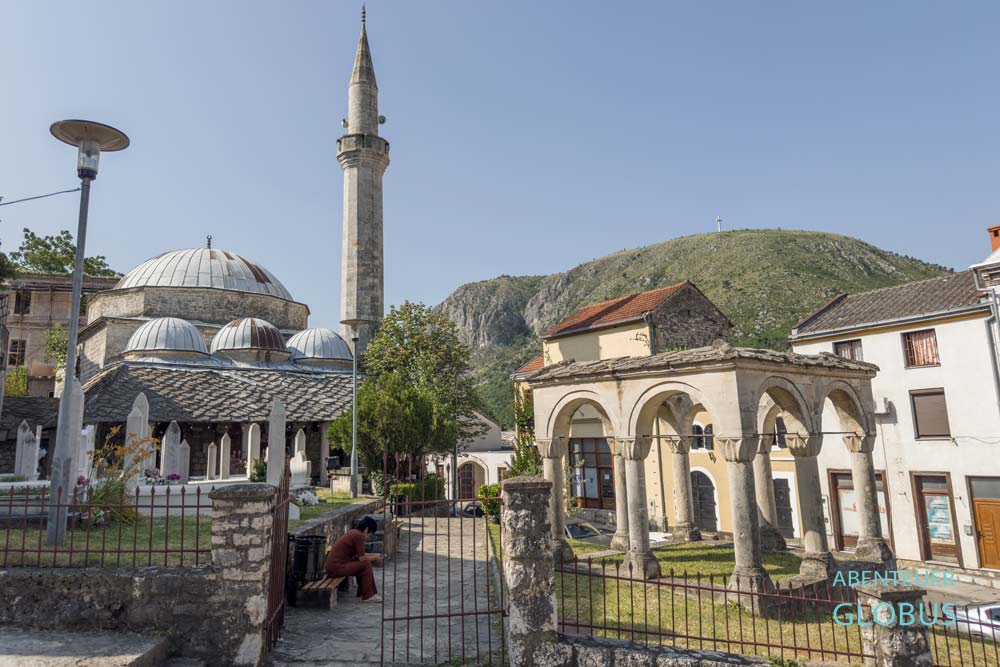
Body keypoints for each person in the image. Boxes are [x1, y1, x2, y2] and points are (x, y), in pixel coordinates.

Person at [325, 515, 382, 602]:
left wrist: (374, 555)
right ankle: (368, 596)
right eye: (370, 533)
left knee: (362, 564)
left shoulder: (354, 532)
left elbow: (359, 556)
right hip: (336, 568)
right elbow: (362, 558)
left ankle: (364, 593)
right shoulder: (359, 536)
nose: (369, 535)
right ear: (366, 529)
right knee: (365, 564)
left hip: (334, 567)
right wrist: (375, 557)